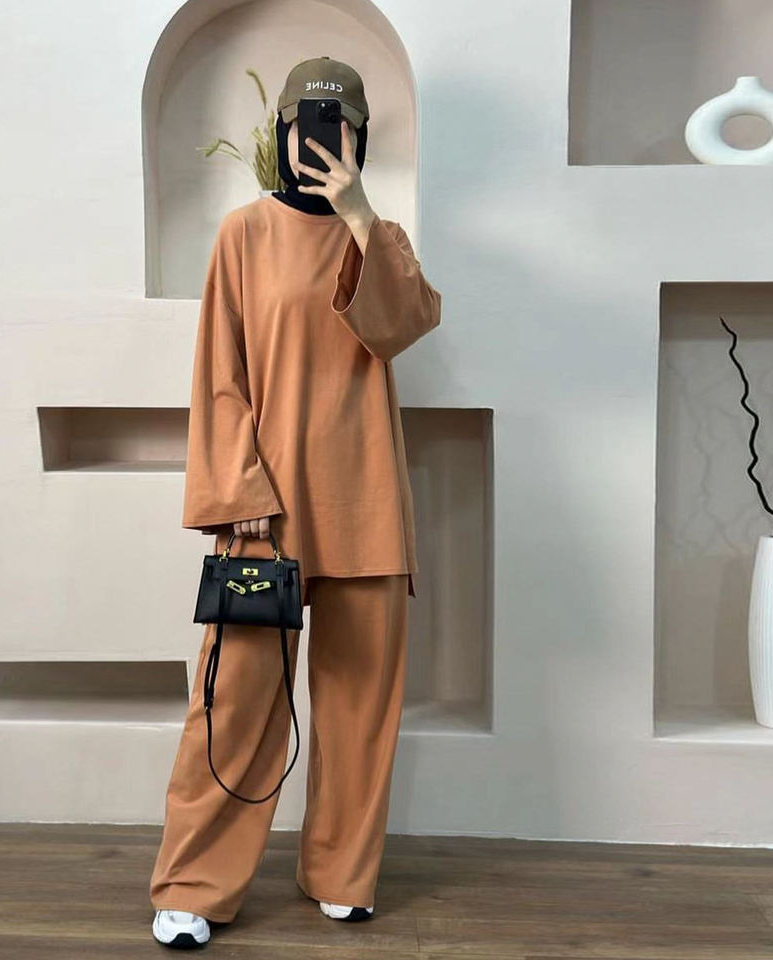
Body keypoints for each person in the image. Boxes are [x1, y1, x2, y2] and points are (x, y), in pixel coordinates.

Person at [150, 56, 442, 948]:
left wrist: (359, 213)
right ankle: (194, 885)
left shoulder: (378, 238)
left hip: (366, 503)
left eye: (340, 123)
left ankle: (341, 874)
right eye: (307, 123)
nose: (322, 137)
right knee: (235, 703)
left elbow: (402, 325)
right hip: (266, 512)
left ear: (361, 137)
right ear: (281, 134)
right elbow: (219, 372)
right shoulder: (243, 233)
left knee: (359, 709)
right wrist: (237, 486)